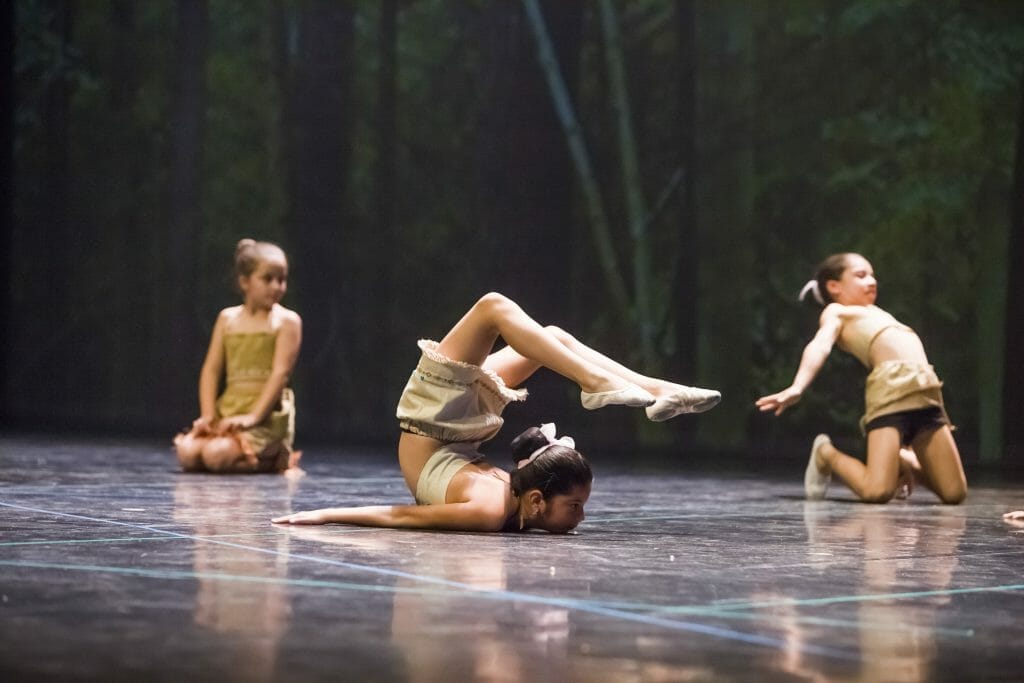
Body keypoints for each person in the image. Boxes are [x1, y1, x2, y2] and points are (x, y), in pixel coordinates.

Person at [273, 292, 720, 532]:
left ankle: (595, 383)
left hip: (434, 423)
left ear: (537, 501)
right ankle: (657, 389)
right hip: (459, 432)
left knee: (492, 307)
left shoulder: (489, 511)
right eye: (576, 506)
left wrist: (325, 514)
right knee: (553, 337)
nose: (581, 516)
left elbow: (402, 516)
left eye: (577, 506)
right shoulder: (510, 496)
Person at [755, 253, 967, 504]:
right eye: (861, 275)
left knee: (954, 493)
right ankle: (826, 453)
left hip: (925, 391)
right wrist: (798, 386)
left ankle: (903, 459)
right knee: (877, 492)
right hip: (891, 390)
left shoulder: (878, 313)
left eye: (872, 275)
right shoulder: (837, 312)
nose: (872, 281)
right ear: (834, 286)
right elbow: (820, 345)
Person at [174, 239, 303, 474]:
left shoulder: (286, 322)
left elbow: (280, 373)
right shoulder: (227, 319)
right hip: (230, 406)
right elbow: (211, 369)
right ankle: (246, 454)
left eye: (282, 279)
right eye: (268, 279)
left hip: (265, 414)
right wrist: (208, 415)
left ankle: (274, 456)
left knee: (216, 456)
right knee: (188, 454)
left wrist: (253, 417)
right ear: (245, 282)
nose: (277, 286)